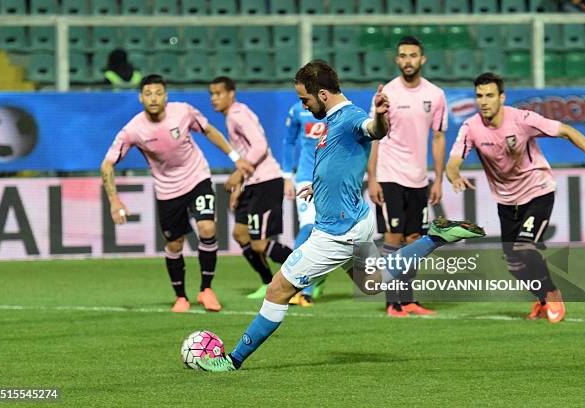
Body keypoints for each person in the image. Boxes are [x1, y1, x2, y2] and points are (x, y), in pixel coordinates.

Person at [196, 61, 486, 372]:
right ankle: (434, 237)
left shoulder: (351, 117)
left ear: (322, 94)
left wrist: (379, 116)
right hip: (356, 222)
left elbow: (374, 131)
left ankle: (232, 360)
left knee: (277, 290)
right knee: (373, 282)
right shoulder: (333, 120)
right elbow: (338, 163)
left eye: (305, 99)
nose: (303, 105)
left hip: (336, 233)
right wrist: (317, 189)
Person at [446, 72, 585, 324]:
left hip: (537, 192)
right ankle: (542, 299)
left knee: (524, 247)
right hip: (506, 202)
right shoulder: (471, 127)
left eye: (489, 95)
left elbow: (567, 131)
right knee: (514, 265)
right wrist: (453, 175)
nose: (483, 101)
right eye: (479, 96)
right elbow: (453, 162)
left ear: (502, 97)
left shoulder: (522, 119)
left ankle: (552, 294)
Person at [101, 74, 253, 313]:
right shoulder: (133, 130)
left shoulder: (183, 112)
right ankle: (180, 296)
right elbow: (107, 165)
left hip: (197, 177)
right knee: (174, 243)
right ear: (141, 98)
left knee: (208, 228)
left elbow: (209, 130)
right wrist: (113, 199)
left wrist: (236, 158)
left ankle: (206, 289)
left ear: (166, 96)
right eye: (148, 94)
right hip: (167, 190)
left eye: (158, 93)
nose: (153, 98)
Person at [367, 36, 448, 318]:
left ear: (422, 59)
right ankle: (392, 303)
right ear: (397, 60)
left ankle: (408, 299)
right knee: (394, 237)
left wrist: (437, 179)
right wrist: (373, 178)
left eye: (413, 55)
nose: (408, 60)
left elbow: (438, 137)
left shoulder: (435, 95)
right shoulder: (387, 93)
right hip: (390, 175)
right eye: (403, 55)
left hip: (418, 178)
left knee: (414, 239)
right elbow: (374, 138)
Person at [209, 76, 294, 299]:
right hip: (253, 182)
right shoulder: (232, 117)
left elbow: (260, 145)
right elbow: (247, 153)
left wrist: (238, 174)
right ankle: (267, 282)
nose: (214, 98)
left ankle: (303, 270)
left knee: (260, 244)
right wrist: (241, 184)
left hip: (266, 181)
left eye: (218, 93)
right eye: (211, 94)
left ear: (231, 93)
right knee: (240, 233)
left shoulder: (238, 115)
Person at [283, 100, 327, 307]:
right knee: (308, 227)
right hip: (305, 178)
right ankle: (298, 287)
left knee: (326, 234)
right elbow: (288, 141)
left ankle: (311, 281)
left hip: (331, 179)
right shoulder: (298, 110)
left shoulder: (337, 108)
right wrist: (286, 177)